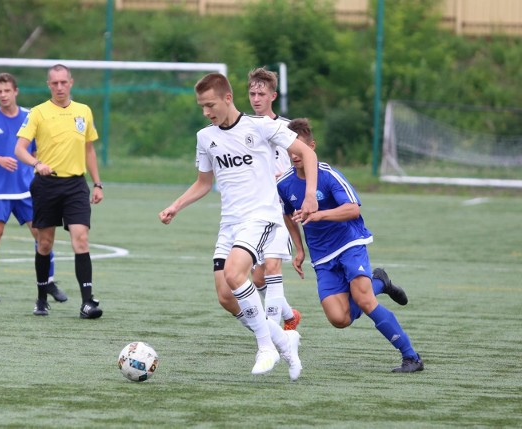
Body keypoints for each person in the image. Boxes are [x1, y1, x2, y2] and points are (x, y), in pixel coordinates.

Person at [158, 73, 319, 380]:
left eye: (210, 105)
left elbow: (307, 154)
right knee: (225, 295)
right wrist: (176, 206)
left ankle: (266, 347)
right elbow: (204, 183)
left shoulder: (260, 126)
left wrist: (310, 195)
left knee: (235, 274)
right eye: (202, 107)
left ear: (227, 98)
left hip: (262, 217)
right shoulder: (206, 137)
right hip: (230, 222)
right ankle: (283, 339)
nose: (206, 112)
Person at [277, 118, 423, 373]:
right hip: (322, 256)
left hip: (349, 243)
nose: (294, 154)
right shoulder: (285, 183)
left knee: (364, 301)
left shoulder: (329, 175)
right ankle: (380, 282)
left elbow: (353, 209)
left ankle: (411, 357)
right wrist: (299, 249)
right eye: (290, 149)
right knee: (339, 318)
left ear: (311, 146)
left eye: (299, 148)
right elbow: (288, 216)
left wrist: (320, 214)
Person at [14, 64, 104, 319]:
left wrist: (97, 183)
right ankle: (42, 297)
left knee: (81, 239)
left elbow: (89, 150)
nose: (60, 87)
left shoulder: (83, 111)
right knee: (45, 243)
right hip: (46, 185)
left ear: (71, 82)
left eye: (64, 82)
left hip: (76, 185)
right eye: (55, 83)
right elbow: (19, 149)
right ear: (49, 85)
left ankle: (87, 302)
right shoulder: (38, 113)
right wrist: (37, 164)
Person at [0, 72, 66, 304]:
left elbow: (36, 150)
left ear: (16, 91)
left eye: (7, 91)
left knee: (41, 235)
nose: (3, 95)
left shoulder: (30, 116)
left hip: (27, 190)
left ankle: (49, 282)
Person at [247, 67, 300, 330]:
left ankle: (274, 335)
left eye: (261, 93)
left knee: (272, 266)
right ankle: (289, 315)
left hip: (280, 211)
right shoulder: (243, 126)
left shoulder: (286, 128)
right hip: (254, 211)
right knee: (256, 280)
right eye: (252, 93)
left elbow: (302, 165)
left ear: (273, 96)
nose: (256, 98)